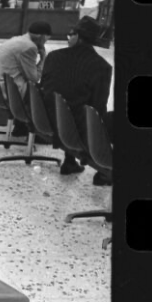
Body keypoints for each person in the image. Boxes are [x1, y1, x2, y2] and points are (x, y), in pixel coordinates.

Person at [39, 15, 113, 184]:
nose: (68, 38)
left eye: (70, 34)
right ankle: (107, 170)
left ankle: (70, 161)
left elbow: (45, 87)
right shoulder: (102, 67)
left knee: (69, 104)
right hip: (75, 129)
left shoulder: (53, 56)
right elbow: (97, 107)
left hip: (46, 120)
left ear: (78, 36)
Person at [0, 21, 53, 138]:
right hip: (8, 89)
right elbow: (34, 78)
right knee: (44, 93)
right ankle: (39, 133)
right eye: (46, 39)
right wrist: (44, 58)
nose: (45, 42)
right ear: (42, 36)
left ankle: (21, 129)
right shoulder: (29, 47)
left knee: (32, 89)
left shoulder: (18, 39)